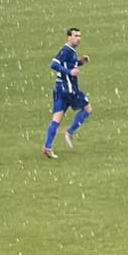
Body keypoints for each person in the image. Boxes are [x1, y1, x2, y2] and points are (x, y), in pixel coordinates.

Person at [41, 28, 91, 159]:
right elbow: (54, 64)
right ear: (68, 37)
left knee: (56, 119)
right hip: (69, 89)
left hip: (59, 89)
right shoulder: (66, 50)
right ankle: (69, 132)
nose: (78, 38)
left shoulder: (71, 52)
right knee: (87, 109)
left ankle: (47, 147)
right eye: (75, 36)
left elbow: (69, 64)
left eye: (80, 36)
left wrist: (80, 62)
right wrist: (69, 73)